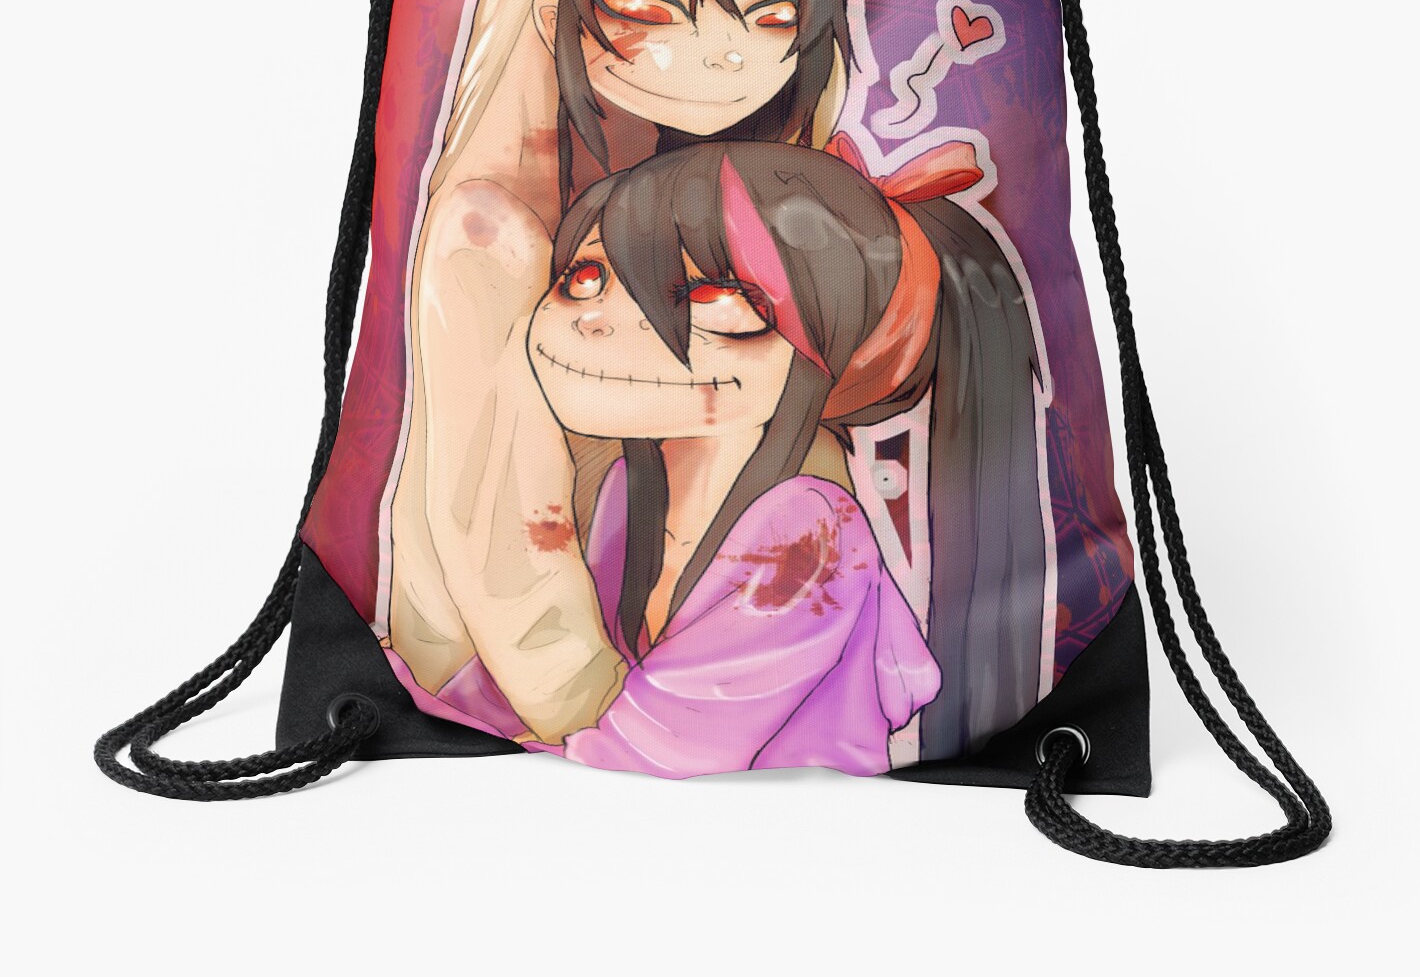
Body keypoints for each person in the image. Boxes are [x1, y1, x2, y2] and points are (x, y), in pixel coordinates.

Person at [383, 0, 874, 742]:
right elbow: (502, 532)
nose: (720, 57)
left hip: (693, 632)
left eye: (774, 18)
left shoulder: (731, 192)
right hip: (527, 677)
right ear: (554, 15)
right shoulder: (491, 231)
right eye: (645, 10)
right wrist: (599, 723)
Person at [386, 138, 1050, 772]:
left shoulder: (809, 537)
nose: (595, 319)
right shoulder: (627, 488)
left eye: (711, 298)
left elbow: (659, 749)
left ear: (832, 350)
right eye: (585, 278)